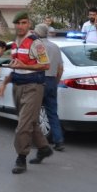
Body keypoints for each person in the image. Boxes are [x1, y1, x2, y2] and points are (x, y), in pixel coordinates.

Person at [0, 11, 53, 174]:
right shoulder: (15, 42)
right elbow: (15, 66)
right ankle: (43, 148)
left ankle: (21, 157)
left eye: (23, 23)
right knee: (30, 122)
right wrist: (6, 82)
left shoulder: (35, 43)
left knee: (23, 124)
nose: (20, 26)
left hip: (33, 86)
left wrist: (23, 66)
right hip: (17, 86)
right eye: (18, 23)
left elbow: (45, 65)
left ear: (28, 24)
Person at [34, 23, 65, 152]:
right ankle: (58, 141)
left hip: (38, 80)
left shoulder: (36, 46)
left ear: (37, 33)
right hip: (52, 80)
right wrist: (55, 81)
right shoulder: (55, 47)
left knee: (33, 112)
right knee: (52, 112)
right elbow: (60, 68)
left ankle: (36, 140)